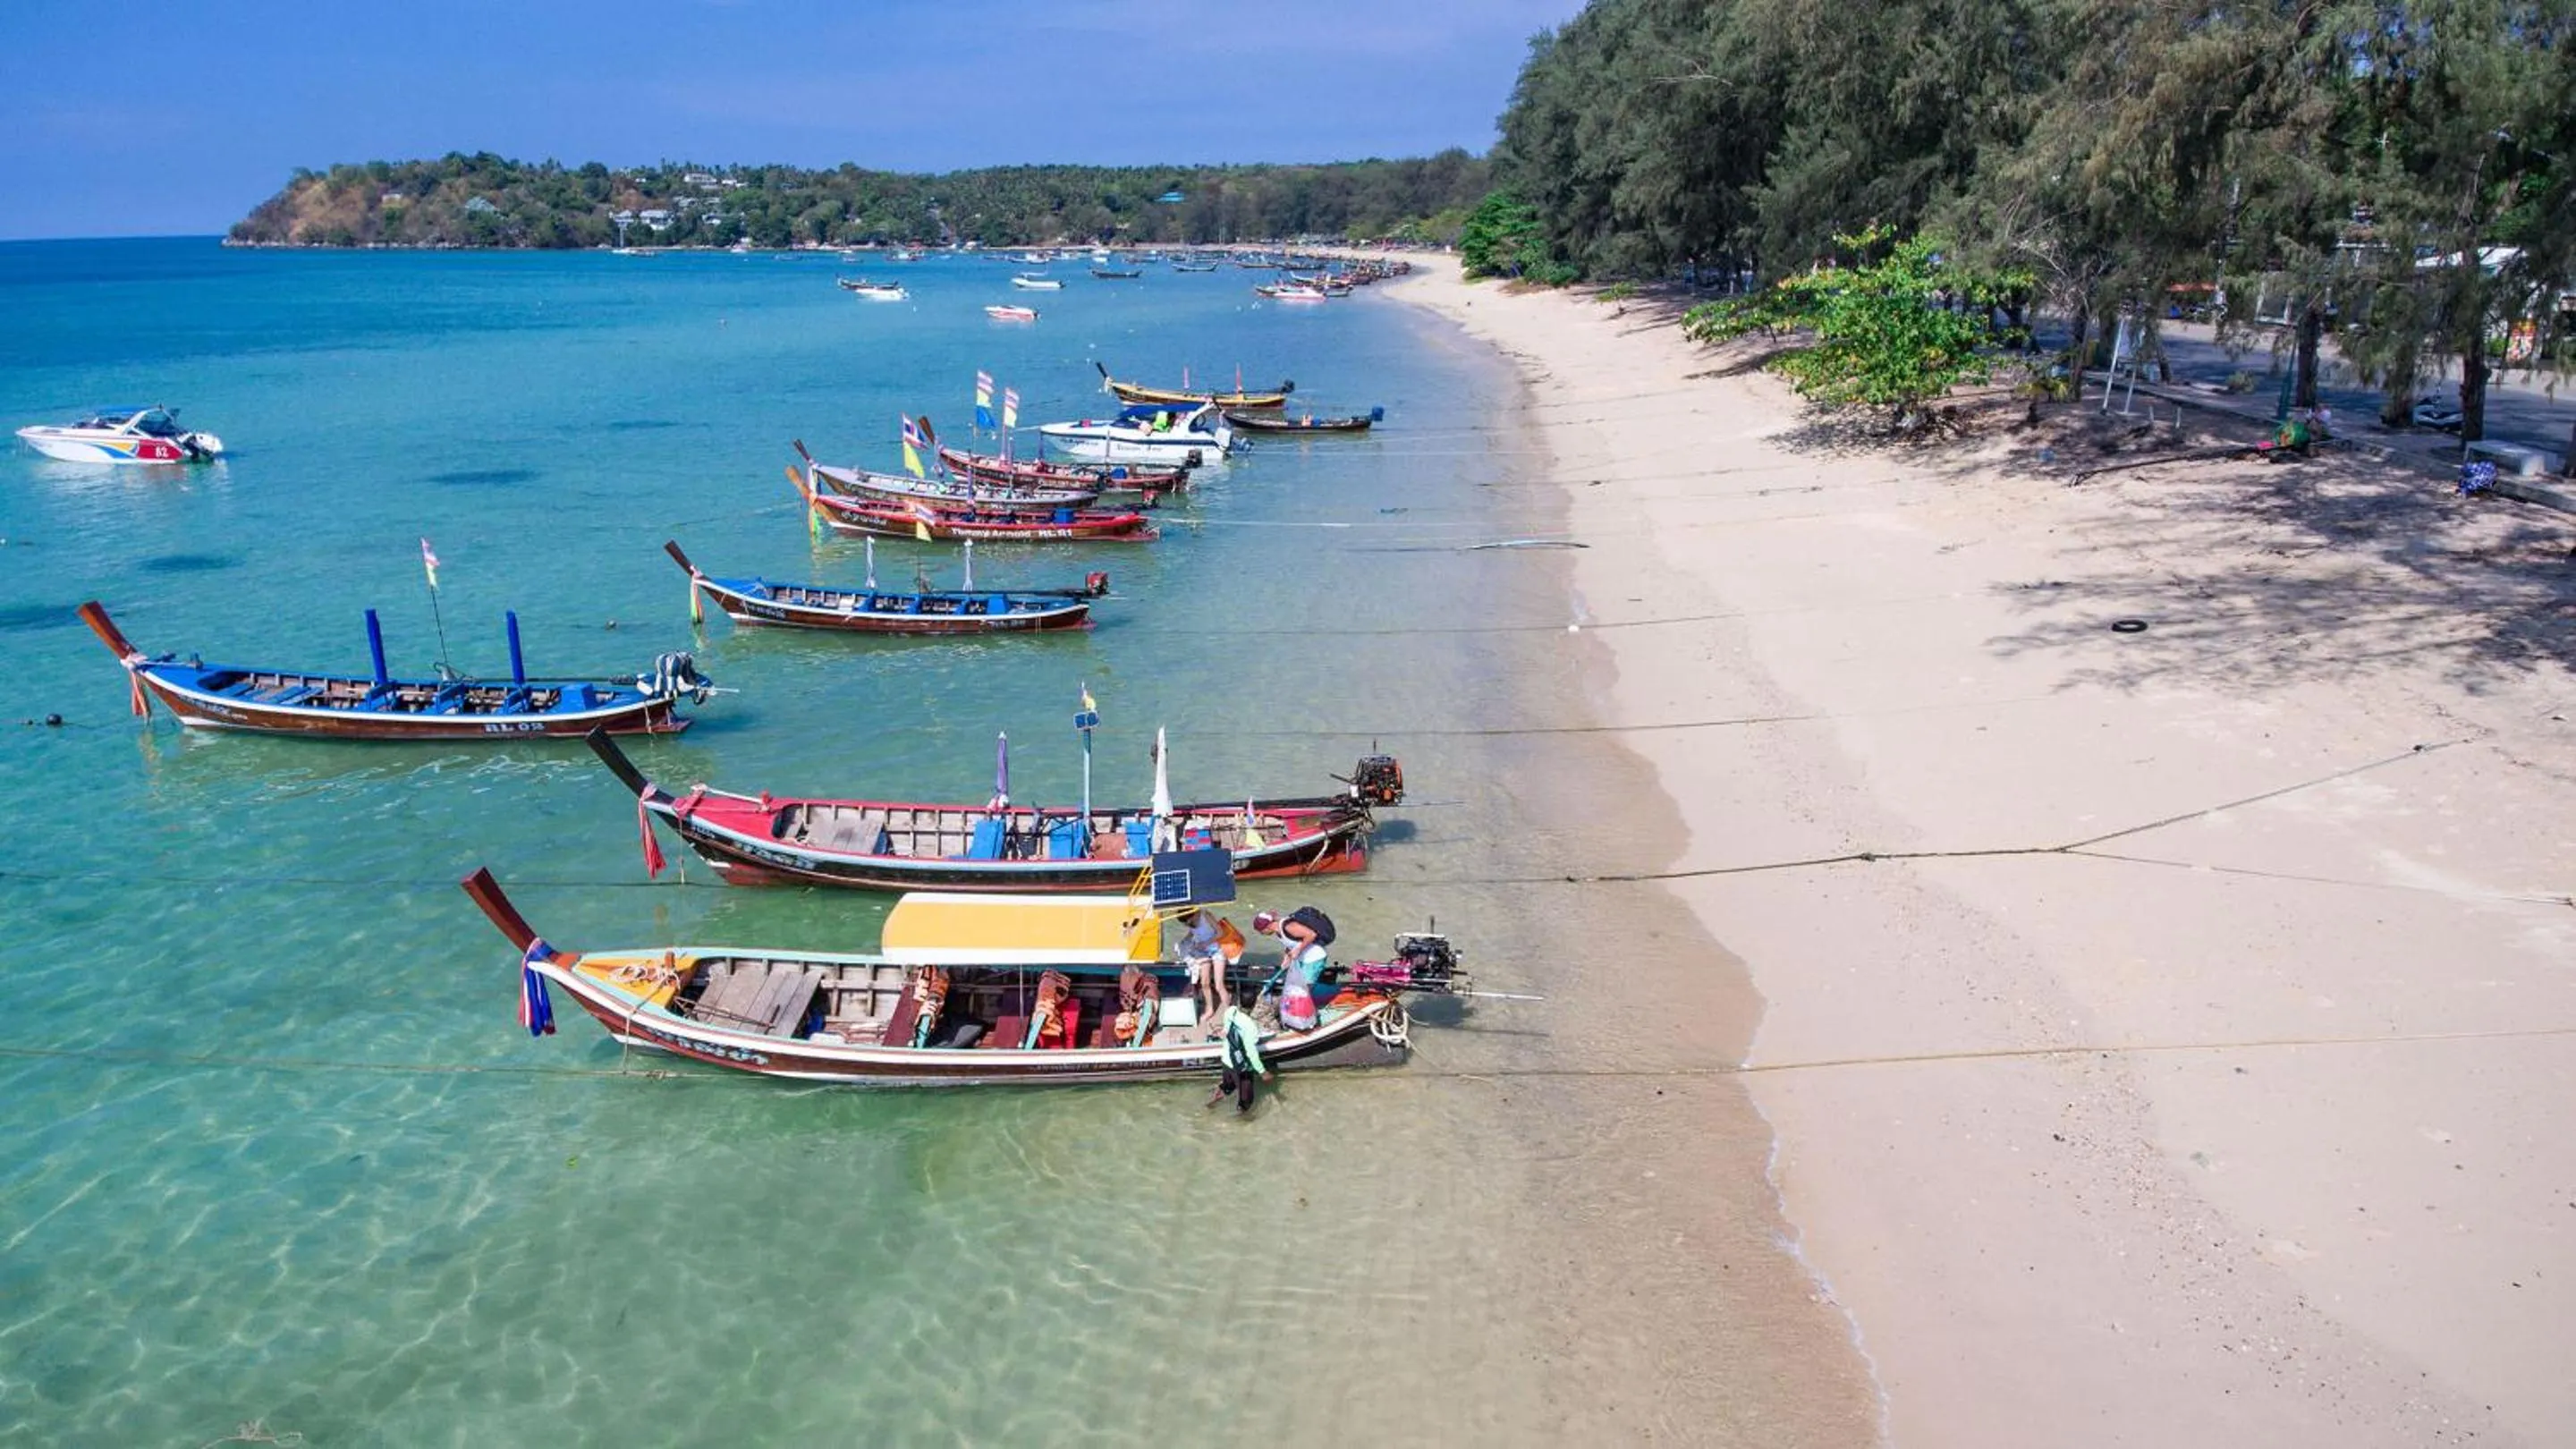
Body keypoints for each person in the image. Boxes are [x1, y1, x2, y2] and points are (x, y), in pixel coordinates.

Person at [1252, 909, 1326, 1032]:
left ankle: (1312, 1020)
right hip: (1301, 960)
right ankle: (1300, 1015)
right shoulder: (1278, 932)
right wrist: (1287, 957)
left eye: (1261, 932)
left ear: (1266, 927)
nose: (1262, 934)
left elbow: (1311, 935)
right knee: (1299, 989)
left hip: (1314, 958)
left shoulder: (1288, 926)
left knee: (1305, 990)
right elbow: (1290, 944)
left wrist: (1298, 949)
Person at [1178, 908, 1232, 1021]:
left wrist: (1206, 943)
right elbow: (1192, 932)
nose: (1187, 924)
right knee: (1205, 983)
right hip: (1202, 950)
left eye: (1187, 921)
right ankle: (1210, 1009)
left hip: (1217, 949)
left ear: (1192, 915)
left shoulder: (1205, 915)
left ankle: (1230, 1013)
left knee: (1219, 985)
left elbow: (1220, 932)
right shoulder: (1190, 922)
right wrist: (1184, 940)